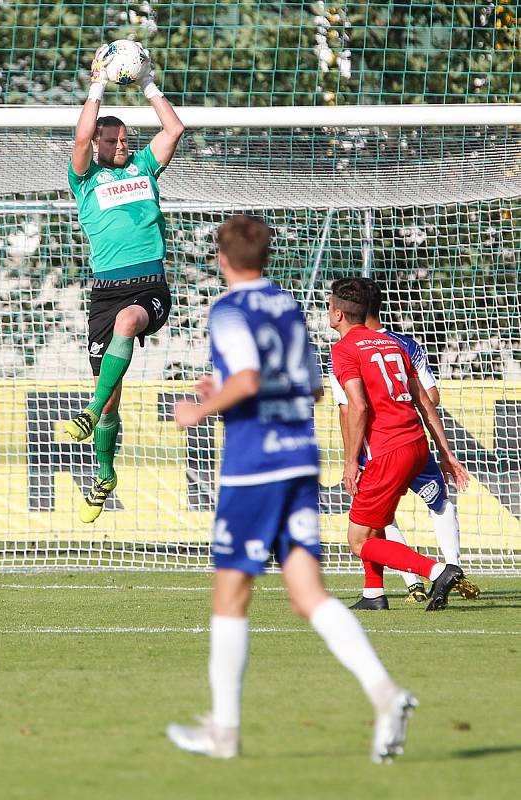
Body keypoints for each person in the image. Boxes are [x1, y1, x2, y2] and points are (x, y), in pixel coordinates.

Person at [166, 215, 417, 764]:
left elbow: (250, 378)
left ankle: (224, 733)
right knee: (308, 593)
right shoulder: (288, 307)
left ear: (222, 258)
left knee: (230, 593)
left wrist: (201, 406)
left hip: (254, 466)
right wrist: (229, 388)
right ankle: (386, 694)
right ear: (267, 256)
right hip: (300, 459)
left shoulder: (230, 309)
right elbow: (314, 390)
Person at [65, 43, 185, 523]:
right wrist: (97, 82)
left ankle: (89, 411)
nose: (122, 146)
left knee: (130, 322)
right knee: (113, 399)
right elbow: (78, 139)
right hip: (105, 291)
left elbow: (175, 128)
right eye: (113, 142)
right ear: (98, 144)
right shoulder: (85, 181)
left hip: (147, 287)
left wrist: (147, 83)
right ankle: (105, 473)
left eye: (125, 140)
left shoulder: (144, 168)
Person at [328, 278, 479, 606]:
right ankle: (374, 593)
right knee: (376, 520)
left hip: (385, 450)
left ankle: (438, 571)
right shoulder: (396, 345)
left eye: (329, 306)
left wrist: (351, 460)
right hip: (416, 442)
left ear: (338, 314)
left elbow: (356, 407)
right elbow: (426, 400)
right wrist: (446, 452)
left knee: (358, 540)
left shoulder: (344, 350)